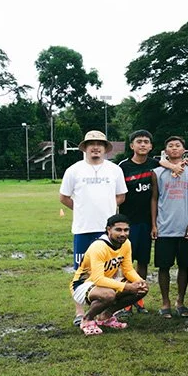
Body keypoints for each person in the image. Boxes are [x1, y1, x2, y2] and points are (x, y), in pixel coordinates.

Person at [60, 130, 128, 324]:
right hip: (83, 228)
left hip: (107, 231)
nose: (95, 147)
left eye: (99, 144)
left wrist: (106, 210)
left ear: (105, 148)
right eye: (92, 144)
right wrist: (82, 209)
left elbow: (121, 196)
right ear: (85, 148)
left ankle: (104, 312)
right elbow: (64, 197)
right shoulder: (74, 170)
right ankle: (80, 313)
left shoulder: (114, 170)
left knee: (111, 269)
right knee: (82, 271)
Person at [70, 214, 148, 336]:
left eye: (126, 230)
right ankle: (87, 319)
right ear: (108, 230)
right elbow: (98, 279)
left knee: (141, 289)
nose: (123, 234)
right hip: (83, 284)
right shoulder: (99, 246)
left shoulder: (126, 243)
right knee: (108, 294)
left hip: (105, 282)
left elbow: (127, 269)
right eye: (118, 230)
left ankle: (105, 317)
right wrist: (128, 287)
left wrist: (139, 281)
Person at [151, 136, 188, 319]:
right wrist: (154, 224)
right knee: (163, 266)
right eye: (170, 145)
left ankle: (180, 301)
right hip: (164, 226)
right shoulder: (157, 172)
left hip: (185, 226)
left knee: (184, 266)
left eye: (177, 146)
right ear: (165, 150)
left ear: (184, 149)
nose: (174, 148)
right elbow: (154, 198)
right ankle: (165, 302)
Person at [117, 130, 160, 285]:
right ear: (131, 145)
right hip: (127, 222)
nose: (142, 144)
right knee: (125, 261)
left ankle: (138, 297)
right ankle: (125, 298)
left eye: (146, 142)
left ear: (151, 146)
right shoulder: (122, 167)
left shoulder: (155, 165)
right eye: (139, 141)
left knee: (143, 261)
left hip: (147, 222)